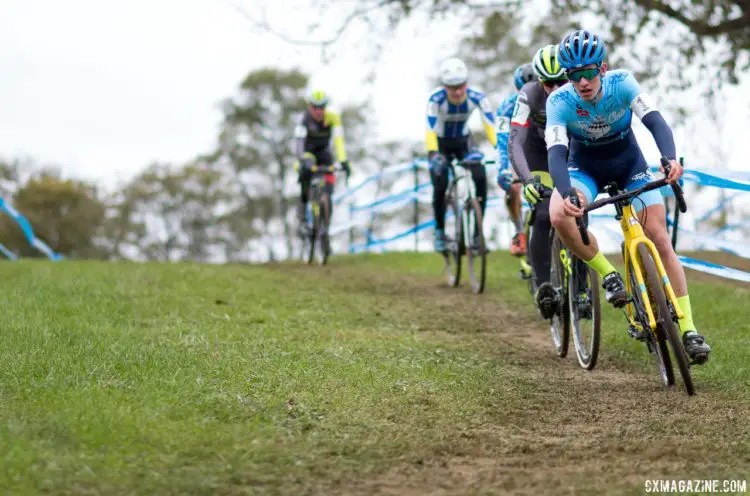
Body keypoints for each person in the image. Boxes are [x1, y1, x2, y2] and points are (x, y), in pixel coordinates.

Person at [545, 29, 710, 364]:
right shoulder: (559, 102)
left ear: (602, 68)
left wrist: (670, 158)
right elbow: (556, 153)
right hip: (584, 170)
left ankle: (690, 329)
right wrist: (565, 193)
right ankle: (608, 273)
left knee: (660, 238)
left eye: (589, 73)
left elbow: (656, 122)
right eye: (575, 76)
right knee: (559, 215)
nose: (583, 83)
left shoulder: (623, 83)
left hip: (629, 166)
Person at [508, 46, 569, 318]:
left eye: (561, 81)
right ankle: (544, 286)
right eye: (548, 83)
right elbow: (515, 141)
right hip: (538, 156)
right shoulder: (528, 95)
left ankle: (581, 287)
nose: (555, 88)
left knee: (577, 210)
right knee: (544, 213)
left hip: (569, 153)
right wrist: (527, 179)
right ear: (538, 81)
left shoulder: (580, 91)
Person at [426, 57, 497, 252]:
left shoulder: (477, 97)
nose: (457, 92)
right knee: (439, 185)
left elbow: (490, 124)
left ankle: (476, 235)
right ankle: (440, 232)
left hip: (464, 142)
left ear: (466, 83)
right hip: (440, 145)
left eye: (461, 86)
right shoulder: (436, 99)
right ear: (444, 86)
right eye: (452, 87)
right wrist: (433, 153)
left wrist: (499, 147)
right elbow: (430, 129)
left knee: (480, 177)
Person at [294, 89, 351, 238]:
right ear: (309, 106)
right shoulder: (303, 120)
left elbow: (339, 140)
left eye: (322, 107)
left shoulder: (333, 118)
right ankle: (303, 219)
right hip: (307, 154)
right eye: (315, 107)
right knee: (305, 174)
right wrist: (303, 160)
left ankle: (324, 232)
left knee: (328, 189)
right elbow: (299, 144)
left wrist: (343, 160)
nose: (318, 111)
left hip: (324, 154)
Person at [496, 63, 537, 256]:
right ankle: (519, 231)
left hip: (540, 149)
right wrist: (503, 168)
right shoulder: (507, 106)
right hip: (518, 149)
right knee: (513, 187)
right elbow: (504, 139)